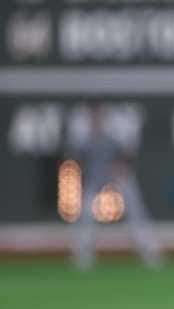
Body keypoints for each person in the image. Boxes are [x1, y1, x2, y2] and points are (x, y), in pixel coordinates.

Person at [68, 103, 164, 270]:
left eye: (99, 117)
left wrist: (118, 167)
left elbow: (126, 159)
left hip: (116, 178)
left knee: (135, 209)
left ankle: (149, 252)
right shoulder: (84, 142)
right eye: (94, 117)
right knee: (85, 214)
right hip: (94, 180)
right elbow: (74, 160)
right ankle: (81, 255)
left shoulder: (111, 139)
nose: (97, 120)